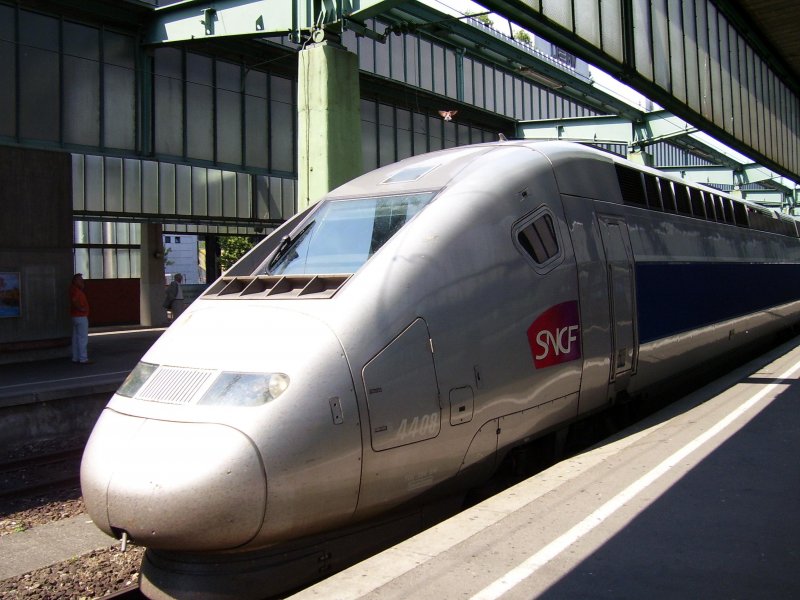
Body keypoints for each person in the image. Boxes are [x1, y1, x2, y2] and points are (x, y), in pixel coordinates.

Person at [69, 273, 92, 364]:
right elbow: (74, 301)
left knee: (76, 338)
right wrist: (80, 308)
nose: (82, 281)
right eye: (80, 280)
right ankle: (83, 358)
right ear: (75, 281)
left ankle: (76, 357)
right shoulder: (76, 291)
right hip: (81, 316)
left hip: (75, 316)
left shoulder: (73, 290)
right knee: (82, 338)